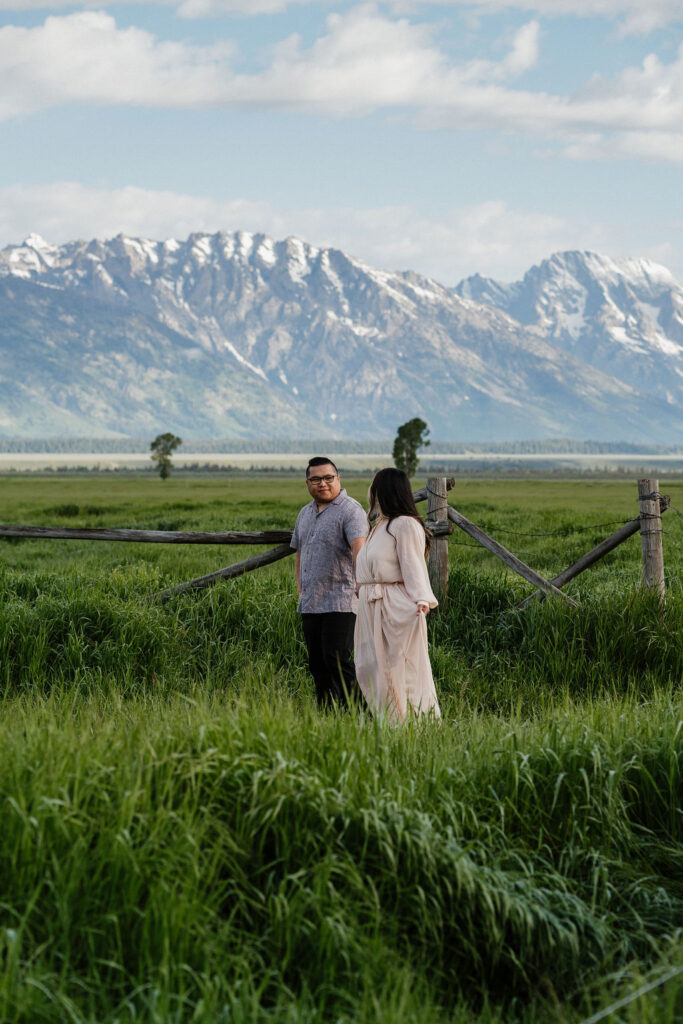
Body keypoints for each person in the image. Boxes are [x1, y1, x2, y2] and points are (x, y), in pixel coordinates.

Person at [354, 467, 440, 721]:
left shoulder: (404, 524)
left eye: (374, 486)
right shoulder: (380, 525)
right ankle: (387, 719)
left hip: (393, 604)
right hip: (370, 605)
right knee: (370, 666)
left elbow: (413, 564)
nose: (370, 491)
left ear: (385, 490)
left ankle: (410, 722)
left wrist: (421, 599)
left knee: (400, 667)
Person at [290, 457, 367, 709]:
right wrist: (301, 590)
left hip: (341, 600)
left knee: (337, 660)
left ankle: (360, 715)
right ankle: (327, 714)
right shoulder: (305, 512)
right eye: (316, 479)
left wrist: (361, 584)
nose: (322, 483)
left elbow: (359, 549)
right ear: (307, 482)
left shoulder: (350, 510)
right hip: (311, 601)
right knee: (317, 664)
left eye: (328, 478)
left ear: (338, 478)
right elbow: (300, 552)